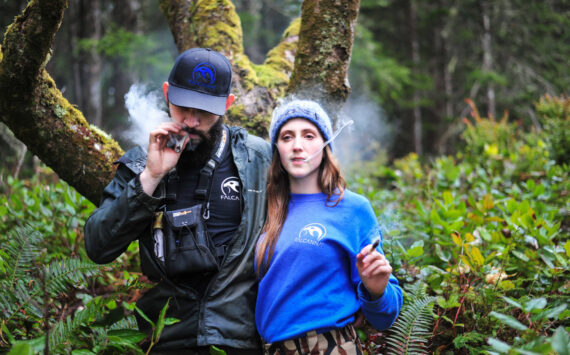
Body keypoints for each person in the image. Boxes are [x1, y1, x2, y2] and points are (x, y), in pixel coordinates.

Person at [84, 48, 271, 354]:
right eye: (183, 107)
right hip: (162, 337)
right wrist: (150, 177)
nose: (192, 121)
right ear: (167, 93)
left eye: (206, 111)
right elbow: (97, 246)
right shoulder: (140, 164)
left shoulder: (257, 158)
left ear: (228, 104)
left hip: (239, 338)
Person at [255, 99, 403, 354]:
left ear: (325, 145)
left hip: (330, 347)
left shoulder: (352, 209)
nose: (297, 146)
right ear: (276, 148)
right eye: (287, 137)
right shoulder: (264, 208)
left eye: (309, 135)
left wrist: (376, 290)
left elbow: (384, 318)